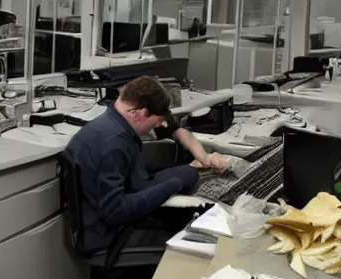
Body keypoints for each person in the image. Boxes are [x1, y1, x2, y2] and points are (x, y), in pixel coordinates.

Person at [67, 76, 227, 251]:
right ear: (143, 113)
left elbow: (173, 129)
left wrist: (201, 161)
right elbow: (114, 211)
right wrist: (171, 186)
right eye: (155, 124)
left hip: (121, 198)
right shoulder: (113, 144)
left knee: (189, 174)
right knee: (190, 236)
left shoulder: (114, 120)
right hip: (110, 233)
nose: (155, 128)